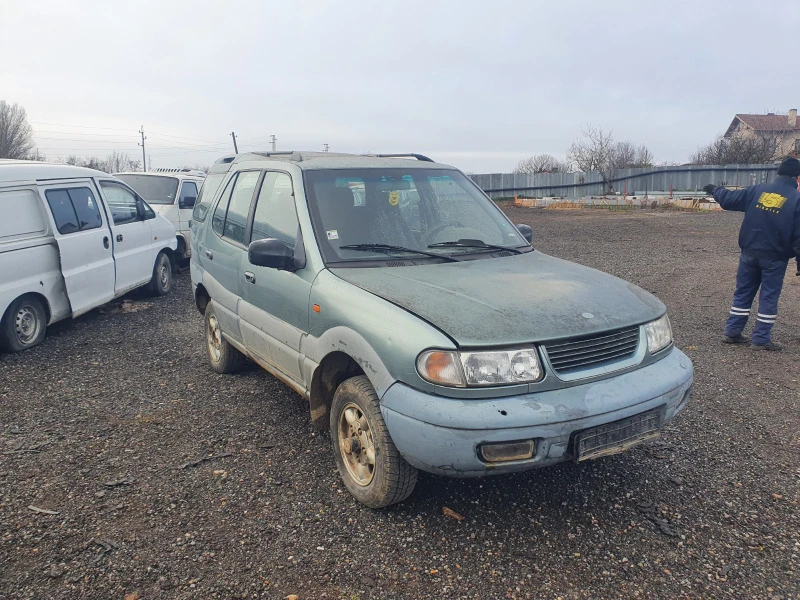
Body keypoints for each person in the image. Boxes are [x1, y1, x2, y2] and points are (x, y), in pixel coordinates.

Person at [703, 156, 800, 351]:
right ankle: (761, 339)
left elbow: (730, 199)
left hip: (749, 252)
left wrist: (715, 189)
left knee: (743, 292)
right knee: (769, 296)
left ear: (778, 173)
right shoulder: (797, 200)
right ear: (797, 177)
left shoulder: (758, 190)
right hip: (774, 258)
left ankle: (732, 331)